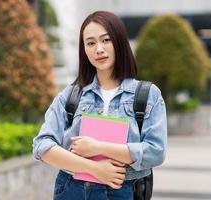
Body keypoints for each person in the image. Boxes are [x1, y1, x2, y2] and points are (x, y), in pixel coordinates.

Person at [32, 10, 167, 200]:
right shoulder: (70, 95)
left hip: (124, 190)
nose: (99, 49)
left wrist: (98, 148)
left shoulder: (147, 95)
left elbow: (156, 151)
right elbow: (42, 145)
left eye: (106, 40)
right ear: (84, 49)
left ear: (119, 42)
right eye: (91, 43)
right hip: (72, 189)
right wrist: (94, 168)